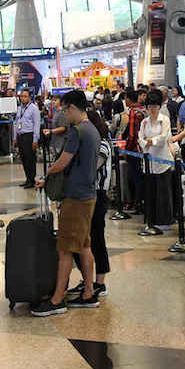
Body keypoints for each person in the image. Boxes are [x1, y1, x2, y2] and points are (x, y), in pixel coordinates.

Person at [32, 90, 101, 316]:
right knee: (83, 245)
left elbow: (64, 160)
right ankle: (89, 292)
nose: (63, 113)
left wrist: (46, 175)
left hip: (75, 197)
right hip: (88, 194)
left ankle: (57, 299)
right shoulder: (93, 129)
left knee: (65, 249)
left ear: (72, 108)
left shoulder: (77, 132)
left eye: (64, 109)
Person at [71, 109, 113, 299]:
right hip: (85, 194)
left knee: (96, 238)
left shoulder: (103, 144)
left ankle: (99, 282)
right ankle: (87, 280)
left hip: (97, 195)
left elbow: (92, 166)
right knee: (81, 240)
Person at [139, 89, 174, 228]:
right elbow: (140, 138)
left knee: (164, 193)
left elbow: (163, 138)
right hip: (149, 161)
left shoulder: (164, 120)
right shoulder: (144, 122)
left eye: (155, 106)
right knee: (150, 192)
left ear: (159, 107)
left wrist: (150, 141)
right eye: (150, 106)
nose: (152, 109)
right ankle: (151, 219)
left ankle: (165, 221)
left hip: (163, 160)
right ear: (147, 107)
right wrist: (146, 142)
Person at [13, 89, 41, 189]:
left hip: (29, 136)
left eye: (25, 96)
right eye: (21, 96)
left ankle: (32, 180)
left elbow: (37, 125)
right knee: (24, 159)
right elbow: (16, 123)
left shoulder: (34, 108)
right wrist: (15, 137)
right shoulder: (19, 108)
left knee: (30, 159)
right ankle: (27, 179)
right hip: (20, 136)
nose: (23, 98)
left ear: (29, 97)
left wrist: (35, 140)